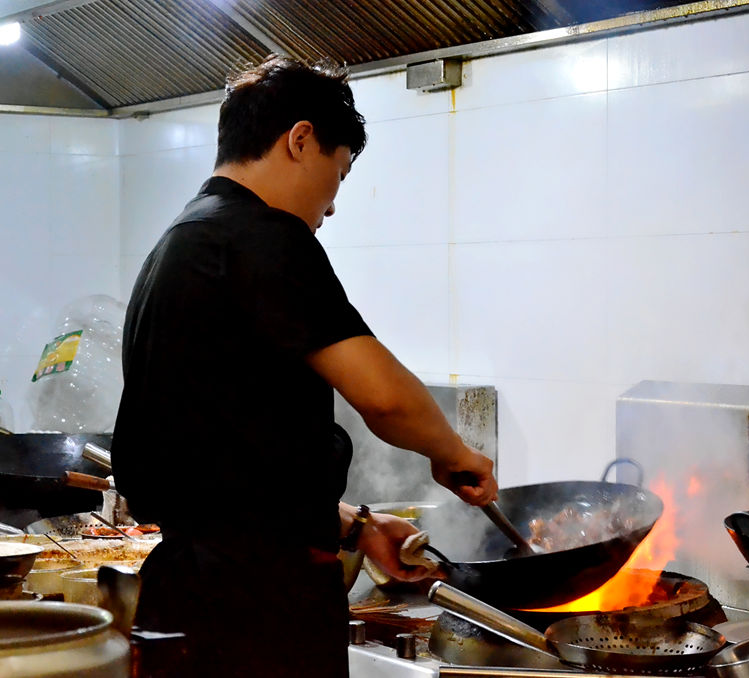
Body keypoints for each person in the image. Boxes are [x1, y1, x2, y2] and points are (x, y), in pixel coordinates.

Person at [110, 54, 498, 678]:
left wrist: (353, 524)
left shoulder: (184, 239)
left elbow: (230, 457)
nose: (333, 205)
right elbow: (386, 398)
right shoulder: (263, 237)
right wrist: (455, 454)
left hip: (191, 598)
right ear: (300, 140)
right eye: (338, 174)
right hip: (257, 612)